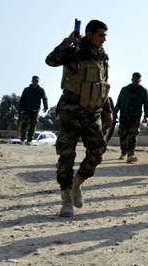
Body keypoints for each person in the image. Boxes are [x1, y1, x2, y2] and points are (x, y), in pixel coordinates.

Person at [45, 19, 113, 217]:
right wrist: (68, 41)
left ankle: (77, 183)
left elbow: (103, 84)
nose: (104, 40)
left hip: (93, 112)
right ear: (89, 34)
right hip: (71, 110)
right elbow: (50, 60)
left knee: (98, 151)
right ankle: (66, 197)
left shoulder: (102, 57)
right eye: (101, 35)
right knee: (67, 154)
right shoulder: (73, 52)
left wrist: (107, 110)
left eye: (105, 36)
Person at [113, 72, 148, 163]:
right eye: (134, 78)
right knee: (123, 135)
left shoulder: (143, 91)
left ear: (140, 80)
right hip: (124, 115)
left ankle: (131, 154)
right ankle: (123, 152)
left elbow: (146, 104)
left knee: (133, 135)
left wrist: (146, 116)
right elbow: (118, 102)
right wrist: (114, 114)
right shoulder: (124, 89)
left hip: (135, 116)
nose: (135, 80)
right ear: (131, 79)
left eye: (137, 78)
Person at [18, 75, 48, 145]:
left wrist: (45, 106)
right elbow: (22, 99)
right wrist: (19, 108)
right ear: (32, 81)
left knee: (33, 125)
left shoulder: (41, 90)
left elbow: (44, 98)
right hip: (26, 109)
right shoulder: (26, 89)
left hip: (35, 109)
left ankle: (29, 140)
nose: (35, 82)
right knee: (24, 124)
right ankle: (22, 139)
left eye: (37, 81)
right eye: (34, 81)